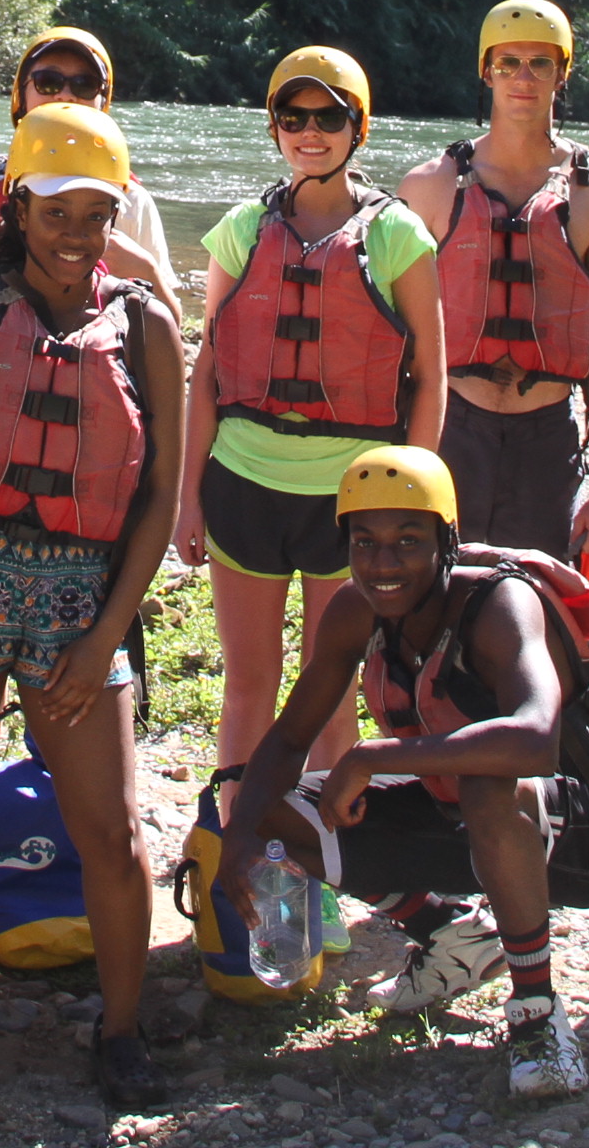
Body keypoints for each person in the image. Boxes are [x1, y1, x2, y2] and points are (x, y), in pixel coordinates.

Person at [0, 104, 185, 1110]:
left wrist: (107, 631)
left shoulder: (147, 321)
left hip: (80, 598)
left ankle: (121, 1027)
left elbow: (159, 494)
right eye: (57, 209)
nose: (76, 231)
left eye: (97, 212)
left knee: (110, 829)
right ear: (17, 207)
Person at [212, 448, 589, 1099]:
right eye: (365, 543)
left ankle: (538, 1015)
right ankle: (451, 938)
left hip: (569, 830)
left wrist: (369, 758)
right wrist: (241, 833)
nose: (383, 564)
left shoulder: (500, 605)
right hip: (448, 811)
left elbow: (535, 740)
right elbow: (287, 738)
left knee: (486, 784)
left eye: (407, 542)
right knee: (270, 806)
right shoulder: (356, 608)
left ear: (446, 540)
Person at [175, 48, 450, 771]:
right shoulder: (240, 230)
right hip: (243, 485)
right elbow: (208, 372)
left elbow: (430, 373)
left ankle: (330, 852)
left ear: (358, 128)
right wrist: (187, 498)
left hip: (351, 498)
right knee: (249, 686)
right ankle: (237, 845)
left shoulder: (397, 237)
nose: (310, 132)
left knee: (329, 686)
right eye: (292, 117)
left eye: (329, 117)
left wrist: (420, 503)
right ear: (274, 128)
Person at [397, 0, 589, 569]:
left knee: (540, 617)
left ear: (562, 74)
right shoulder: (430, 187)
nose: (523, 79)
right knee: (436, 611)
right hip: (451, 429)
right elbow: (394, 339)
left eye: (539, 64)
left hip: (548, 437)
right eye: (508, 63)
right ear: (486, 71)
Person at [0, 28, 175, 309]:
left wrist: (147, 272)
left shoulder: (131, 200)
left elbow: (169, 325)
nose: (65, 96)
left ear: (103, 100)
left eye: (85, 84)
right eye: (48, 82)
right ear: (20, 96)